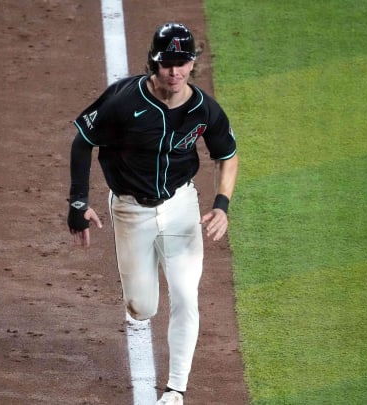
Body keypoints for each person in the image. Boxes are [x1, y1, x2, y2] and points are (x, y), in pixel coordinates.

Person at [67, 22, 238, 405]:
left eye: (182, 62)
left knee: (185, 295)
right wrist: (78, 202)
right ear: (153, 63)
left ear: (193, 63)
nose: (174, 72)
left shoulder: (203, 110)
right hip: (130, 211)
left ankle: (176, 390)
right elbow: (82, 143)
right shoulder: (123, 101)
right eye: (167, 63)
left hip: (181, 208)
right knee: (142, 308)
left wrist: (221, 205)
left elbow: (227, 156)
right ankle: (141, 302)